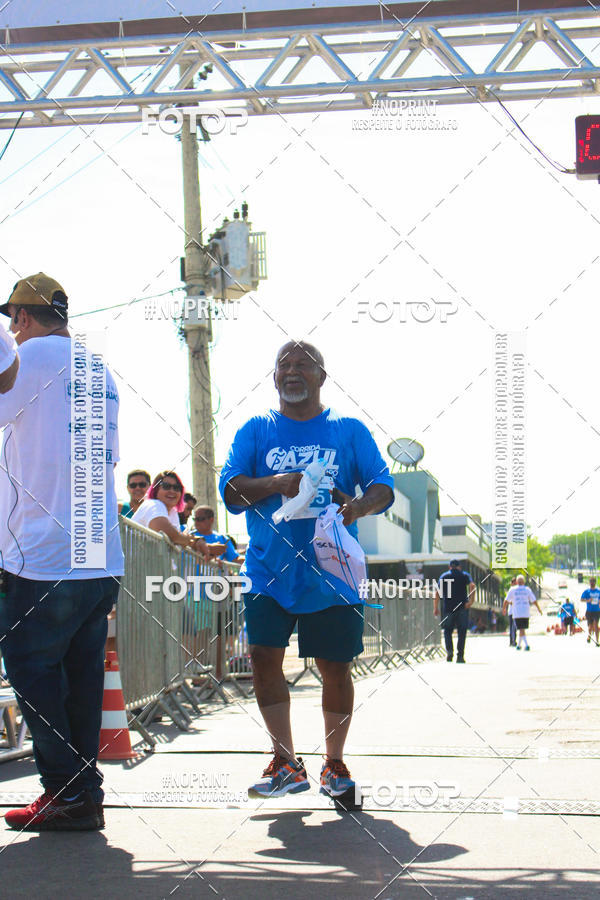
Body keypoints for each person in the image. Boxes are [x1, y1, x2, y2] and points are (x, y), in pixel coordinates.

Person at [219, 341, 394, 803]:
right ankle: (285, 762)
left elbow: (384, 486)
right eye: (284, 365)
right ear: (274, 378)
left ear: (321, 376)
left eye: (303, 365)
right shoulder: (256, 430)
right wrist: (277, 483)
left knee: (334, 667)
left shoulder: (348, 430)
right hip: (267, 570)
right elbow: (231, 491)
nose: (292, 371)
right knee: (261, 658)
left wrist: (357, 507)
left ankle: (334, 763)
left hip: (331, 572)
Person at [0, 273, 124, 831]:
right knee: (79, 677)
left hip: (43, 552)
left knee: (32, 669)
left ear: (22, 320)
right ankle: (81, 794)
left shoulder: (29, 361)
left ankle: (68, 791)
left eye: (11, 322)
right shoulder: (99, 369)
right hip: (98, 551)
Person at [132, 471, 220, 559]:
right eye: (166, 486)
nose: (172, 491)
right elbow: (171, 534)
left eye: (177, 488)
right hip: (135, 569)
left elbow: (178, 541)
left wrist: (198, 545)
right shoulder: (153, 504)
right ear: (156, 489)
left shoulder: (172, 513)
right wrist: (190, 540)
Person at [434, 560, 475, 663]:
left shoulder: (444, 576)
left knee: (447, 631)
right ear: (459, 567)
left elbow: (437, 592)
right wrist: (471, 602)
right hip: (462, 607)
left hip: (448, 608)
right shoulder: (464, 575)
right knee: (462, 631)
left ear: (449, 567)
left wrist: (435, 607)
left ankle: (449, 652)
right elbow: (472, 586)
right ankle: (460, 656)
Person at [504, 575, 542, 650]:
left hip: (517, 614)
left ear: (517, 582)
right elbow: (534, 600)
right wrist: (539, 609)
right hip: (525, 613)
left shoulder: (512, 589)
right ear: (524, 582)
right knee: (522, 629)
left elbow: (506, 600)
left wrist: (504, 609)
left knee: (521, 629)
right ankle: (521, 645)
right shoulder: (527, 589)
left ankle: (523, 645)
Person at [581, 576, 600, 645]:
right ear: (589, 583)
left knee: (596, 625)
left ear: (595, 582)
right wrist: (588, 600)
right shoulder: (587, 591)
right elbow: (581, 599)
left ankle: (597, 640)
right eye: (591, 582)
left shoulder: (598, 591)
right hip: (589, 611)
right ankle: (589, 636)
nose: (592, 583)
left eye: (593, 582)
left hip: (597, 611)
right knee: (590, 626)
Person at [503, 576, 517, 647]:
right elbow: (507, 600)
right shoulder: (511, 589)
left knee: (514, 627)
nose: (516, 584)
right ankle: (512, 641)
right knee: (512, 627)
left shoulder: (516, 590)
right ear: (512, 583)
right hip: (512, 611)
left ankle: (513, 641)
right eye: (514, 582)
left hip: (516, 611)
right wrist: (504, 608)